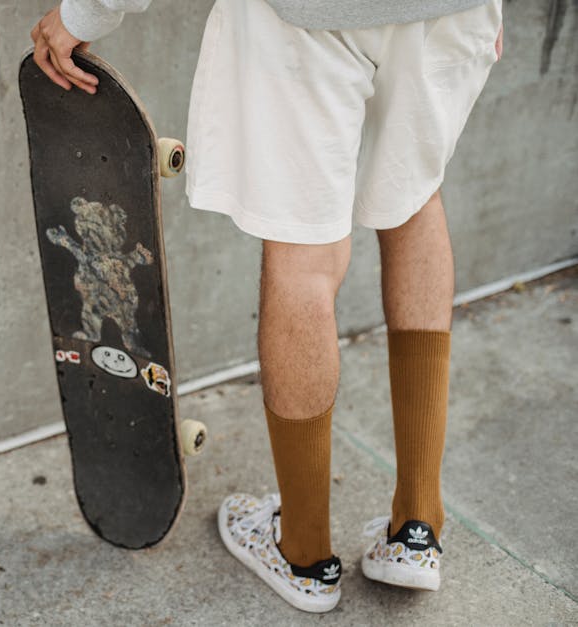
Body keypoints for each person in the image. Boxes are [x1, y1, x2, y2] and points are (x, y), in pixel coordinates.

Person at [31, 0, 504, 613]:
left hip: (308, 18)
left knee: (304, 254)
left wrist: (88, 13)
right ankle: (418, 528)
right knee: (414, 202)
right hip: (450, 9)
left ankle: (304, 554)